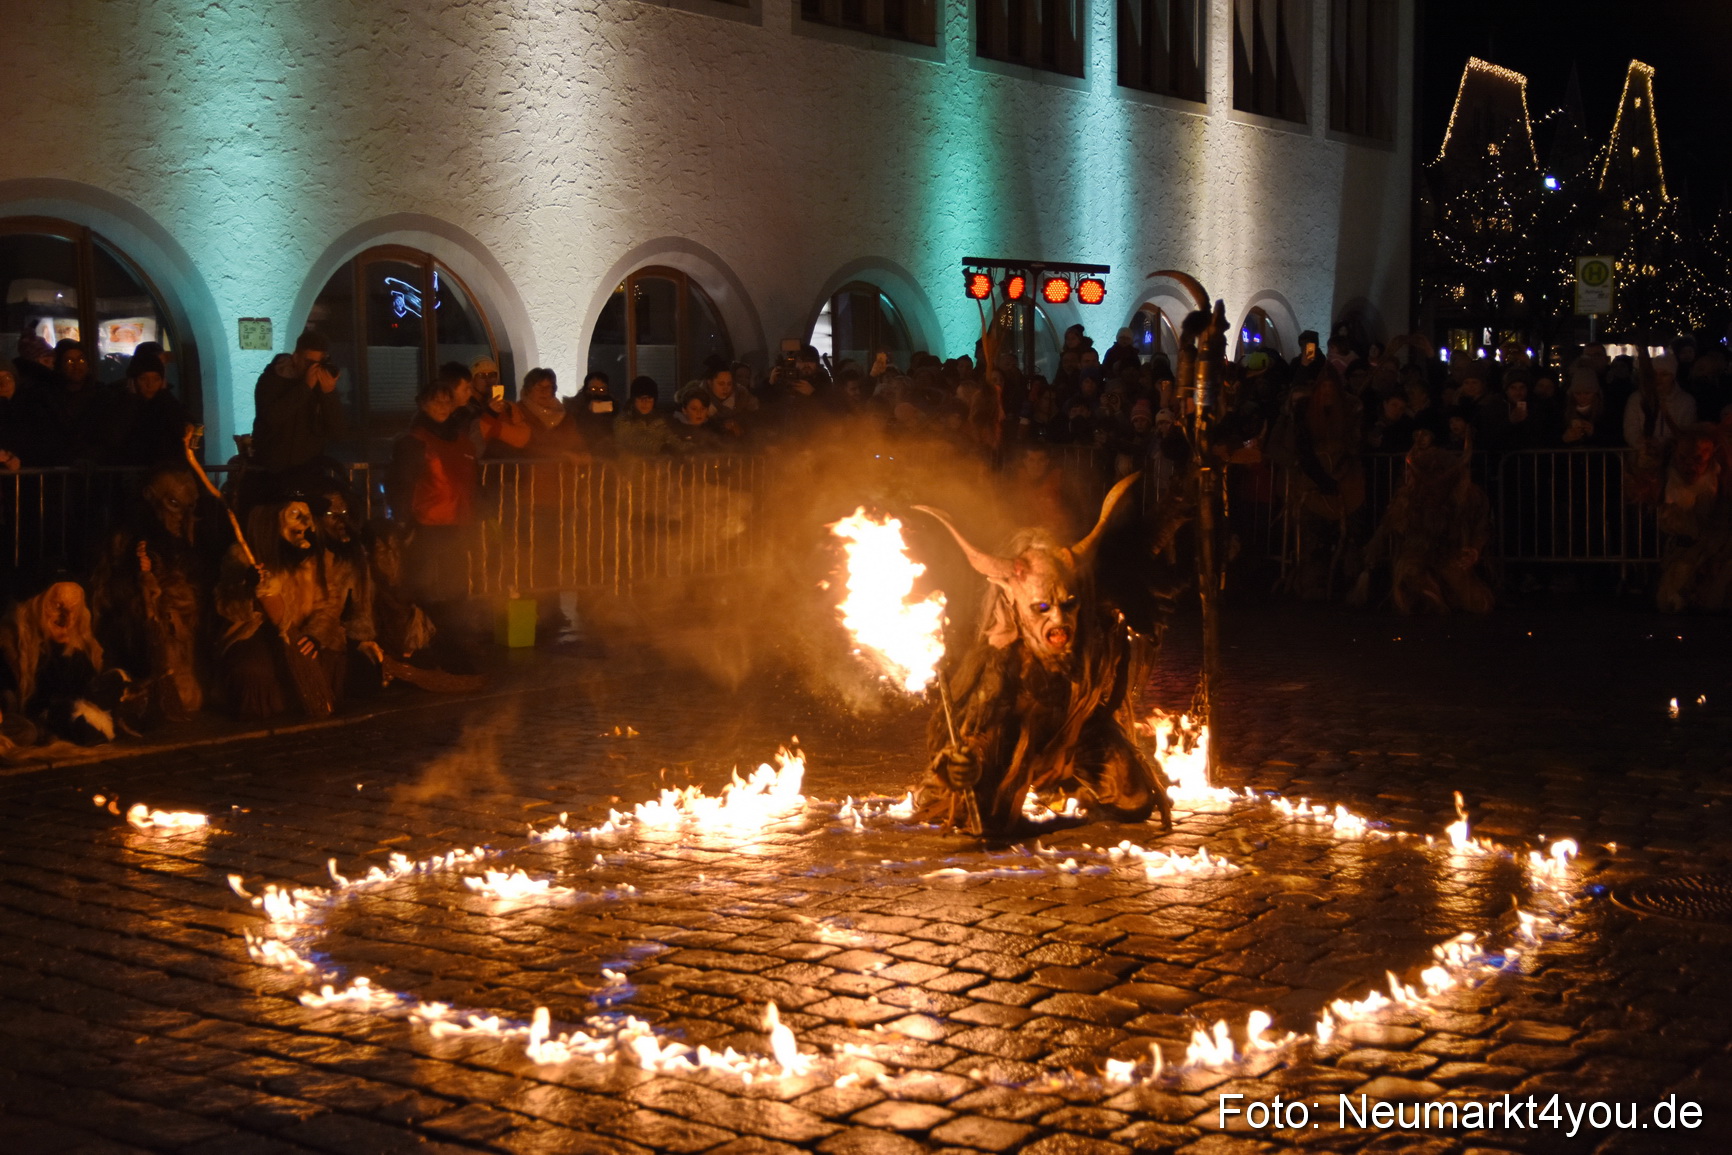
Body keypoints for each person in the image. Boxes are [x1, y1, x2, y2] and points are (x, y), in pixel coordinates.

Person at [215, 497, 380, 717]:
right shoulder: (242, 556)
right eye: (295, 515)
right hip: (260, 633)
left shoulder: (319, 558)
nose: (306, 523)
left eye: (308, 516)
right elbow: (228, 606)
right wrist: (247, 585)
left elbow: (328, 604)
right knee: (253, 671)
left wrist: (314, 636)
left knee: (341, 668)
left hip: (302, 631)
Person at [388, 363, 525, 617]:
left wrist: (483, 509)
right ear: (424, 405)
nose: (442, 407)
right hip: (426, 526)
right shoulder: (414, 442)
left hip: (460, 523)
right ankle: (422, 628)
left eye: (446, 402)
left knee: (456, 585)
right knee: (424, 587)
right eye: (436, 402)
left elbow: (471, 479)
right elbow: (401, 484)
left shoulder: (462, 441)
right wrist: (403, 522)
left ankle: (455, 627)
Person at [0, 579, 140, 746]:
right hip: (20, 721)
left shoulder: (79, 651)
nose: (67, 618)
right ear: (36, 605)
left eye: (74, 608)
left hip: (57, 722)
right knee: (27, 733)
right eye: (57, 606)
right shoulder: (11, 644)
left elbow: (86, 693)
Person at [250, 330, 344, 499]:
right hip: (271, 478)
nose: (313, 368)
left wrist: (329, 394)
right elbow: (272, 417)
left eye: (318, 363)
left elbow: (337, 432)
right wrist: (305, 387)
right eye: (308, 362)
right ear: (295, 357)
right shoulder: (271, 380)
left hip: (308, 476)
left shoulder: (320, 387)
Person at [109, 351, 192, 467]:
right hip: (129, 470)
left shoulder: (169, 404)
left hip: (165, 472)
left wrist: (165, 396)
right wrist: (131, 400)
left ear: (163, 381)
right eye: (143, 379)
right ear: (133, 381)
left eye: (156, 379)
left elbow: (181, 431)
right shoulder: (119, 404)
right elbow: (115, 437)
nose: (150, 384)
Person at [615, 376, 678, 455]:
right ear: (634, 399)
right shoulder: (623, 420)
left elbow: (672, 440)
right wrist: (661, 447)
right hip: (630, 462)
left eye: (649, 398)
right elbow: (632, 440)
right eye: (640, 397)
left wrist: (687, 450)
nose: (645, 402)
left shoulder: (659, 422)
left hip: (657, 463)